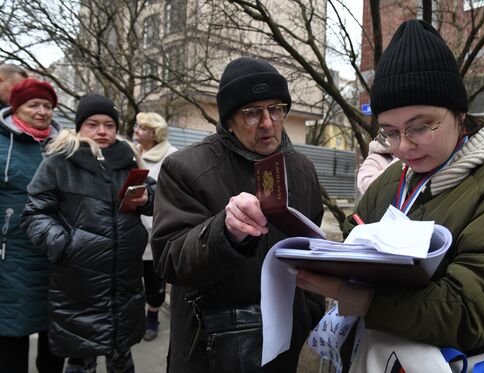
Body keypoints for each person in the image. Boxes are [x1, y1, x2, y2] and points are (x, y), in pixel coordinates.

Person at [294, 19, 484, 370]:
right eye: (390, 132)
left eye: (419, 127)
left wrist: (363, 299)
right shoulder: (395, 179)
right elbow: (356, 235)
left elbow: (475, 310)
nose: (404, 147)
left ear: (459, 113)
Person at [152, 57, 326, 372]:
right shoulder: (185, 167)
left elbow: (313, 246)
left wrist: (308, 312)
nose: (267, 123)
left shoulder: (302, 169)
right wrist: (224, 232)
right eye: (252, 113)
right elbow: (169, 259)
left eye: (276, 109)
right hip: (211, 351)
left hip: (286, 346)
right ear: (229, 120)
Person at [21, 93, 155, 373]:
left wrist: (148, 198)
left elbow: (155, 195)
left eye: (109, 124)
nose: (102, 131)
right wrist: (66, 245)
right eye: (93, 124)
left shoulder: (128, 158)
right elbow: (35, 213)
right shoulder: (60, 161)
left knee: (122, 353)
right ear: (80, 126)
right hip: (77, 280)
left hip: (125, 279)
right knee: (82, 357)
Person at [0, 78, 64, 373]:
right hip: (10, 254)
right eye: (33, 104)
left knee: (55, 332)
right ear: (16, 107)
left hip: (55, 250)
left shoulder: (64, 145)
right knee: (12, 330)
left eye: (48, 106)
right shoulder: (2, 142)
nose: (42, 111)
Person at [133, 112, 177, 341]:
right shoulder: (132, 151)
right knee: (132, 276)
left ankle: (152, 319)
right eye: (137, 126)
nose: (136, 130)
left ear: (154, 132)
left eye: (142, 127)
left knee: (153, 277)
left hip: (154, 226)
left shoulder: (170, 156)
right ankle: (136, 317)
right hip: (130, 225)